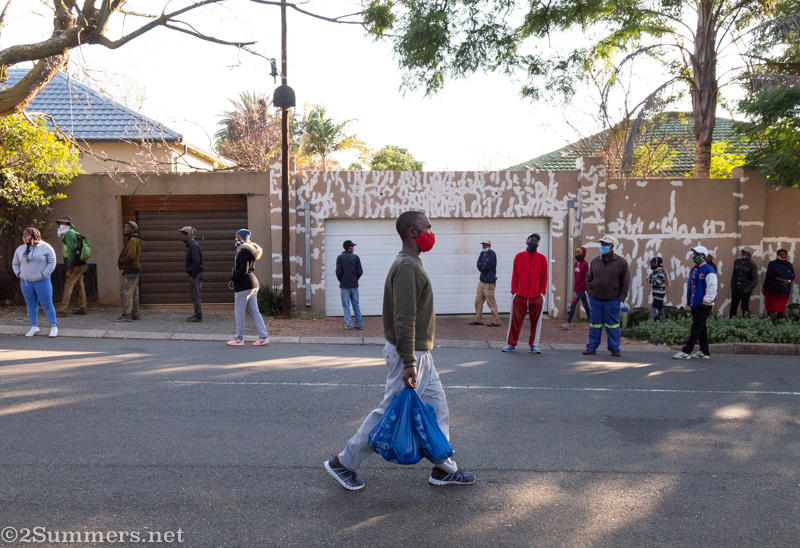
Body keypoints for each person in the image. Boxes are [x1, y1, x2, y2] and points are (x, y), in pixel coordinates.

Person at [324, 211, 475, 491]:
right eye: (426, 228)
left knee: (438, 408)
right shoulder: (407, 266)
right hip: (410, 354)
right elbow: (404, 317)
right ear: (411, 233)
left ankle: (444, 467)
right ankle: (344, 463)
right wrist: (409, 362)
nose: (431, 233)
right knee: (389, 414)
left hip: (420, 354)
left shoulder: (411, 263)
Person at [583, 235, 630, 357]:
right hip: (596, 299)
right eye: (602, 244)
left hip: (612, 300)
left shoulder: (621, 263)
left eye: (605, 245)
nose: (603, 247)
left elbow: (625, 282)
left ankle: (614, 348)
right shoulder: (594, 261)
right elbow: (588, 279)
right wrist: (590, 294)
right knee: (594, 324)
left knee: (613, 325)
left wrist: (620, 298)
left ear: (612, 247)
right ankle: (592, 347)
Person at [502, 232, 548, 354]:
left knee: (536, 322)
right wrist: (514, 292)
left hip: (536, 296)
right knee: (515, 321)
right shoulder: (519, 256)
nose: (533, 242)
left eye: (536, 241)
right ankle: (511, 344)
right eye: (531, 240)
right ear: (526, 241)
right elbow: (514, 275)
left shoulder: (542, 259)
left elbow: (544, 277)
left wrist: (542, 293)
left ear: (538, 244)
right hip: (520, 295)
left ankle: (533, 345)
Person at [673, 245, 718, 360]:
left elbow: (712, 287)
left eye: (697, 255)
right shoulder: (694, 270)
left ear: (703, 257)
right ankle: (704, 351)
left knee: (696, 328)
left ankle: (686, 351)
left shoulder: (708, 270)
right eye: (694, 254)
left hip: (704, 304)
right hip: (695, 303)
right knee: (701, 328)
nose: (694, 257)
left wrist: (707, 301)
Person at [12, 227, 58, 338]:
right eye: (24, 236)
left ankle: (53, 326)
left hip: (42, 281)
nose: (25, 238)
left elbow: (52, 262)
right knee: (31, 304)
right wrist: (19, 274)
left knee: (47, 304)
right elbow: (15, 263)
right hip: (26, 281)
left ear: (33, 236)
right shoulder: (20, 249)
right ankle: (34, 326)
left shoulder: (45, 247)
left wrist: (44, 274)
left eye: (27, 236)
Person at [227, 229, 269, 346]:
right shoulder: (250, 251)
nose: (236, 240)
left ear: (244, 239)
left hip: (243, 285)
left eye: (238, 238)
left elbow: (242, 270)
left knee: (239, 312)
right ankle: (263, 336)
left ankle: (239, 339)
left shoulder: (243, 251)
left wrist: (233, 277)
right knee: (255, 312)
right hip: (253, 284)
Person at [55, 215, 87, 316]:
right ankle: (82, 307)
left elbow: (70, 251)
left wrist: (70, 266)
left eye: (62, 223)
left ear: (67, 224)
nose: (60, 225)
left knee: (68, 285)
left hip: (74, 265)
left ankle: (62, 310)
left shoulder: (68, 234)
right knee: (80, 285)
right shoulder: (75, 233)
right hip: (81, 264)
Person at [469, 239, 501, 327]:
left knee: (491, 302)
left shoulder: (492, 254)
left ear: (489, 246)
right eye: (483, 245)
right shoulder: (482, 254)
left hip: (489, 283)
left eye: (486, 245)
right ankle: (478, 319)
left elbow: (485, 266)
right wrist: (482, 266)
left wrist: (482, 266)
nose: (484, 247)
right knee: (478, 301)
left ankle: (496, 321)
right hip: (482, 282)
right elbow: (478, 264)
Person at [116, 220, 143, 322]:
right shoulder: (136, 240)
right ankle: (135, 313)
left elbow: (130, 256)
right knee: (134, 292)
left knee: (126, 292)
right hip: (135, 269)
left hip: (131, 269)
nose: (125, 229)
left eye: (127, 227)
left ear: (132, 230)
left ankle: (126, 314)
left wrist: (121, 261)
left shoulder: (132, 240)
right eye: (125, 226)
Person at [335, 239, 364, 330]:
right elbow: (360, 271)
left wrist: (342, 280)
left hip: (344, 285)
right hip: (354, 285)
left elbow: (338, 272)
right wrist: (355, 279)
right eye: (353, 246)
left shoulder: (340, 258)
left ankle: (348, 324)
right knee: (356, 304)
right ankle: (359, 324)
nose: (354, 248)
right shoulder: (356, 257)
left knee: (346, 305)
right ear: (350, 248)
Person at [561, 246, 590, 330]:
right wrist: (575, 286)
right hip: (577, 288)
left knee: (573, 304)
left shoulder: (585, 264)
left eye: (579, 253)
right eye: (576, 253)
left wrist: (580, 286)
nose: (577, 255)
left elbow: (586, 278)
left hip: (581, 289)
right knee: (586, 305)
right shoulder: (575, 264)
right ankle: (592, 323)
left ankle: (568, 323)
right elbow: (576, 277)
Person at [762, 249, 795, 321]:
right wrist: (782, 280)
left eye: (784, 254)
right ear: (777, 255)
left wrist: (788, 281)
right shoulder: (772, 264)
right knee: (771, 310)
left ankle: (780, 326)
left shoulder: (789, 265)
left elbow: (792, 276)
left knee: (781, 310)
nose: (783, 256)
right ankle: (770, 325)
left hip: (784, 291)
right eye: (781, 254)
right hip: (772, 290)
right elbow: (770, 275)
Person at [180, 226, 204, 322]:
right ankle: (196, 314)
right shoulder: (192, 245)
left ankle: (198, 316)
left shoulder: (193, 246)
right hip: (195, 274)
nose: (181, 237)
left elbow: (196, 262)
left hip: (196, 274)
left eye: (182, 235)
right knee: (194, 295)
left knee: (196, 295)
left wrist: (193, 273)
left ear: (188, 235)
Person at [729, 246, 759, 318]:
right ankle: (731, 320)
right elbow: (734, 275)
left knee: (744, 306)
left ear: (750, 255)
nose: (744, 255)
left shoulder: (752, 265)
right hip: (736, 288)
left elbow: (755, 279)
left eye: (746, 254)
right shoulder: (737, 262)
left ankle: (746, 321)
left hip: (745, 289)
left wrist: (748, 289)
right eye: (743, 253)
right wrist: (732, 286)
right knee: (733, 306)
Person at [646, 257, 670, 322]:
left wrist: (649, 279)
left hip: (659, 294)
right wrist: (650, 279)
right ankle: (664, 322)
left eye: (653, 264)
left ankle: (649, 323)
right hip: (655, 293)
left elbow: (657, 282)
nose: (652, 266)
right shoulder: (655, 272)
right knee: (660, 309)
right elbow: (652, 279)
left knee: (654, 309)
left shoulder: (661, 272)